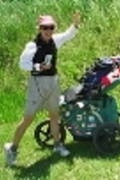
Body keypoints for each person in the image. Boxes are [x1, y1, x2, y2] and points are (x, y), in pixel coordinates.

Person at [4, 12, 80, 166]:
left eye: (51, 27)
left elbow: (68, 35)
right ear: (40, 29)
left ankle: (58, 145)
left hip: (53, 82)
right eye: (45, 27)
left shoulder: (55, 40)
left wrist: (76, 24)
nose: (48, 30)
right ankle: (12, 148)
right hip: (37, 83)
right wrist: (38, 66)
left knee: (54, 115)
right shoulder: (32, 46)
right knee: (28, 118)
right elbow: (22, 64)